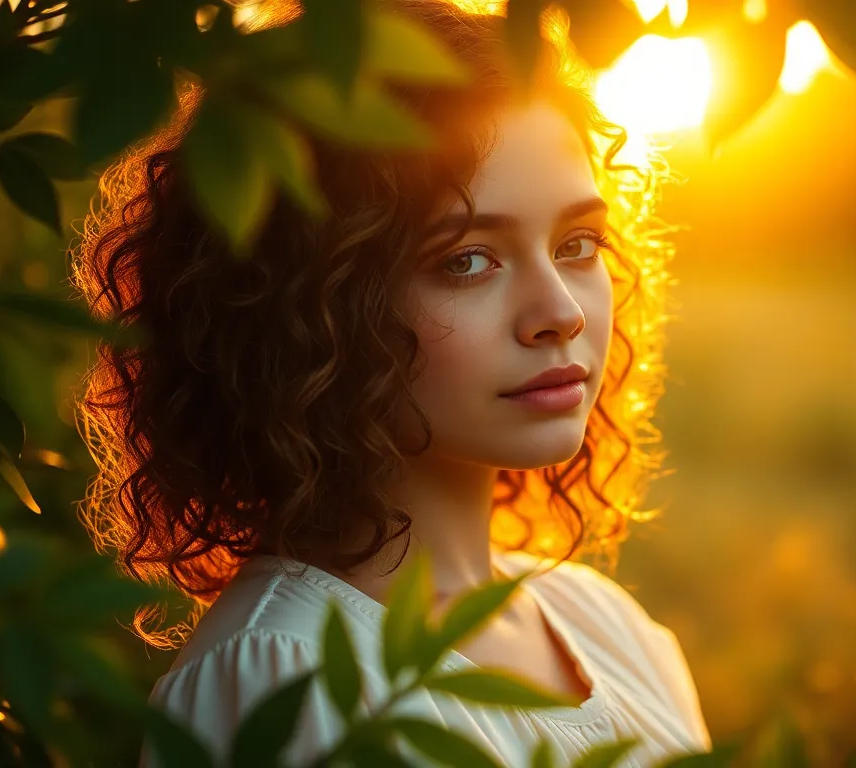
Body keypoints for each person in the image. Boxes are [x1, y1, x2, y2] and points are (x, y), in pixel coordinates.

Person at [71, 0, 709, 765]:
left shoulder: (609, 628)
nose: (561, 313)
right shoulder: (281, 679)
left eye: (578, 243)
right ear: (312, 301)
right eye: (466, 259)